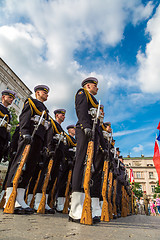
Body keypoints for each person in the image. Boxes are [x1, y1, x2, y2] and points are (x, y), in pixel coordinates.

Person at [4, 85, 50, 214]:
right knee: (18, 165)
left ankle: (19, 198)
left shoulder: (45, 110)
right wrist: (24, 132)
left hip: (38, 140)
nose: (47, 95)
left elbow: (46, 129)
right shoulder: (31, 102)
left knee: (29, 168)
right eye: (44, 93)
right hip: (29, 136)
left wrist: (44, 145)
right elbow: (24, 117)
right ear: (38, 93)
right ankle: (10, 197)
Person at [69, 76, 102, 223]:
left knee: (89, 167)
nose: (97, 88)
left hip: (93, 133)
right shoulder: (82, 93)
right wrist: (85, 126)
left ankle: (82, 206)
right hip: (84, 131)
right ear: (88, 86)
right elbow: (81, 110)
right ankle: (74, 209)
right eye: (95, 86)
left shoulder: (95, 102)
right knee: (81, 164)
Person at [0, 89, 16, 163]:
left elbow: (7, 131)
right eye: (9, 97)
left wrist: (6, 150)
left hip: (2, 140)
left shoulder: (9, 114)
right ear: (3, 97)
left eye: (12, 98)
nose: (12, 99)